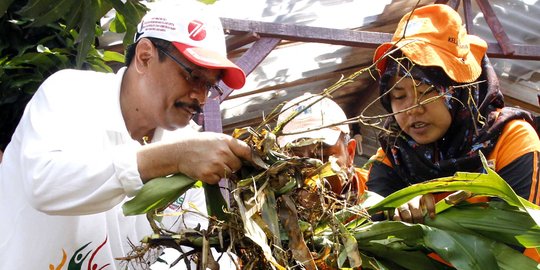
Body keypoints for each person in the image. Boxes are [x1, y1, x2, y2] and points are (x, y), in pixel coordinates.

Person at [0, 3, 252, 269]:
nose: (200, 97)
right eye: (193, 77)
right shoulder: (70, 94)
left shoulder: (187, 145)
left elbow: (194, 242)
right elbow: (45, 185)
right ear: (145, 57)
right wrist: (170, 158)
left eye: (209, 86)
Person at [366, 4, 540, 262]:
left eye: (426, 91)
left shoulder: (510, 139)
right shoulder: (393, 154)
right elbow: (369, 232)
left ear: (461, 89)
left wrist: (428, 222)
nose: (412, 109)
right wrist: (394, 212)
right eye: (399, 95)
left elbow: (515, 239)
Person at [277, 93, 367, 203]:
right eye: (298, 160)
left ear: (350, 152)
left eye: (323, 157)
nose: (310, 171)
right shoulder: (269, 209)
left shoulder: (379, 191)